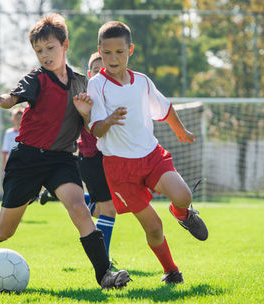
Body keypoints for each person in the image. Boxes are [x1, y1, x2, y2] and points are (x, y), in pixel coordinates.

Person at [0, 13, 130, 290]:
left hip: (61, 159)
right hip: (27, 159)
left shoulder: (81, 83)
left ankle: (105, 274)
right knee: (6, 230)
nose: (44, 55)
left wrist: (85, 113)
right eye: (39, 50)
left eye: (50, 48)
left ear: (65, 45)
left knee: (79, 208)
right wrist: (3, 100)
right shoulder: (36, 79)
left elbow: (90, 126)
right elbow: (15, 97)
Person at [83, 21, 209, 284]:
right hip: (120, 168)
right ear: (100, 51)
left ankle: (182, 214)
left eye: (119, 51)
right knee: (154, 227)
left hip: (152, 156)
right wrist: (110, 120)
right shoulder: (96, 85)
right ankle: (172, 271)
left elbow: (164, 108)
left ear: (130, 50)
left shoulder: (141, 81)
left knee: (183, 195)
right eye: (107, 53)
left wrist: (181, 130)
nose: (113, 58)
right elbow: (95, 130)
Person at [40, 52, 117, 260]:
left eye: (105, 69)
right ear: (89, 74)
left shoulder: (116, 93)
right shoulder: (83, 96)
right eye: (96, 70)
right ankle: (104, 261)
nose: (101, 73)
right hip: (91, 158)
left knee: (110, 207)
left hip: (112, 158)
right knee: (108, 209)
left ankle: (56, 194)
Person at [1, 107, 24, 172]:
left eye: (20, 118)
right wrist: (4, 169)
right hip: (12, 166)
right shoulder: (8, 133)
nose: (19, 120)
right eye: (17, 118)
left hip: (24, 165)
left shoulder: (27, 133)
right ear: (13, 119)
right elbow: (5, 151)